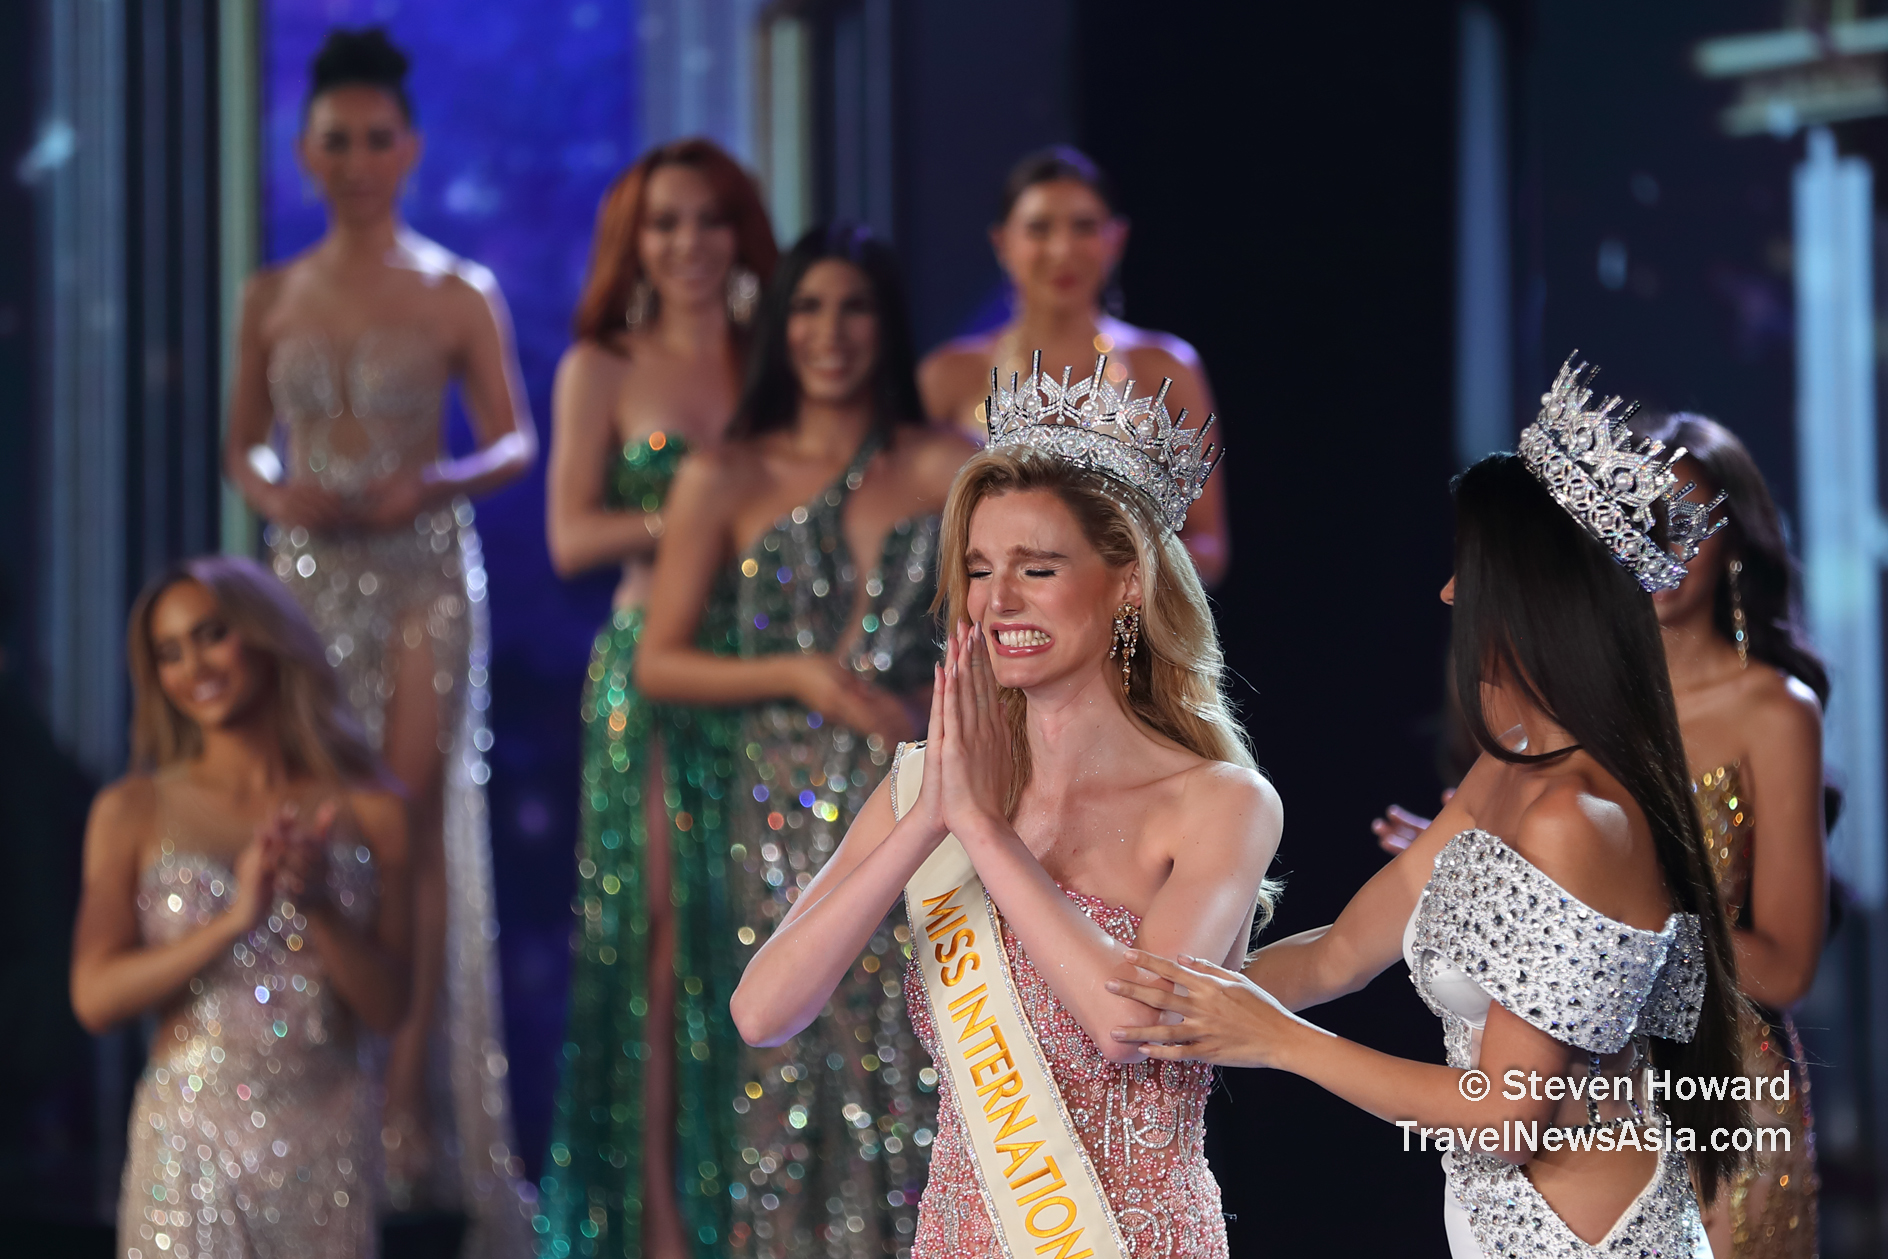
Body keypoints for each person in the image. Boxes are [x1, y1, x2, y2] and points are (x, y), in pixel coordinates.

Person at [1110, 360, 1750, 1258]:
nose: (1449, 593)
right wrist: (1160, 1001)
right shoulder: (1510, 767)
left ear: (1534, 596)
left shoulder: (1580, 815)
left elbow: (1507, 1116)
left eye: (1469, 572)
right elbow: (1340, 951)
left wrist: (1277, 1041)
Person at [726, 349, 1280, 1259]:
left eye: (1038, 567)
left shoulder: (1220, 801)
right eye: (980, 568)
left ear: (1127, 583)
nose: (998, 600)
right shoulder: (926, 785)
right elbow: (763, 1010)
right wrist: (929, 820)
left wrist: (979, 827)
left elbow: (1129, 1024)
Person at [221, 26, 538, 1251]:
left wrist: (438, 481)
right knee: (307, 812)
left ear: (408, 148)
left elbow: (515, 440)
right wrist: (274, 492)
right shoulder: (272, 294)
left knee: (405, 827)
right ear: (307, 154)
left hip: (418, 576)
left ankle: (406, 1117)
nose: (356, 160)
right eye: (334, 141)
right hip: (305, 576)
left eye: (375, 139)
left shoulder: (456, 289)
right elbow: (242, 441)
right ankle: (311, 1092)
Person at [1374, 413, 1829, 1257]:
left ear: (1731, 541)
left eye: (1676, 518)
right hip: (1589, 1082)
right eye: (1625, 515)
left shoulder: (1772, 710)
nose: (1650, 539)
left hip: (1717, 1076)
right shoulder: (1561, 699)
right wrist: (1471, 881)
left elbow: (1791, 962)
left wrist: (1593, 915)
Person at [634, 223, 976, 1256]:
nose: (831, 332)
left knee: (923, 1047)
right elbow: (660, 658)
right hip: (776, 806)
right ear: (778, 325)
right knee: (786, 1065)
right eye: (809, 307)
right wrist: (794, 674)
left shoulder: (951, 466)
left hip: (924, 790)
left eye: (855, 307)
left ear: (889, 324)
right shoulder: (725, 475)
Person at [537, 137, 778, 1259]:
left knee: (763, 940)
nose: (689, 245)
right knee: (658, 943)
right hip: (652, 676)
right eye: (665, 223)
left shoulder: (779, 354)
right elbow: (569, 532)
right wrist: (700, 514)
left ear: (741, 234)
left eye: (709, 221)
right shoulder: (602, 364)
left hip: (772, 676)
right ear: (633, 240)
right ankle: (658, 1228)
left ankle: (763, 1212)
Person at [71, 556, 412, 1259]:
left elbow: (389, 1008)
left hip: (327, 1150)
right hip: (189, 1146)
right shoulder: (132, 809)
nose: (194, 665)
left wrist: (317, 904)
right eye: (169, 652)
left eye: (210, 634)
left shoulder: (372, 809)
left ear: (264, 635)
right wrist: (234, 919)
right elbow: (95, 996)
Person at [918, 146, 1230, 585]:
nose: (1062, 249)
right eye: (1039, 228)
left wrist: (1113, 582)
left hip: (1126, 634)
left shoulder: (1167, 368)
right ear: (1002, 242)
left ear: (1116, 238)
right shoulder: (948, 375)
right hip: (995, 630)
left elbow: (1209, 544)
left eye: (1084, 227)